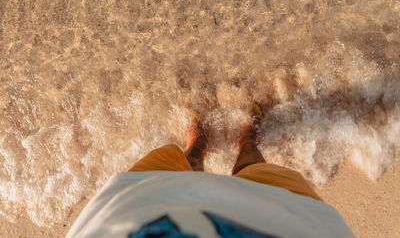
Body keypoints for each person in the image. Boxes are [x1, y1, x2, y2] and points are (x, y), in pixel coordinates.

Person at [67, 104, 354, 238]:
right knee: (257, 172)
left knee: (175, 170)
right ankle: (246, 139)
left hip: (138, 202)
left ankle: (200, 144)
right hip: (292, 218)